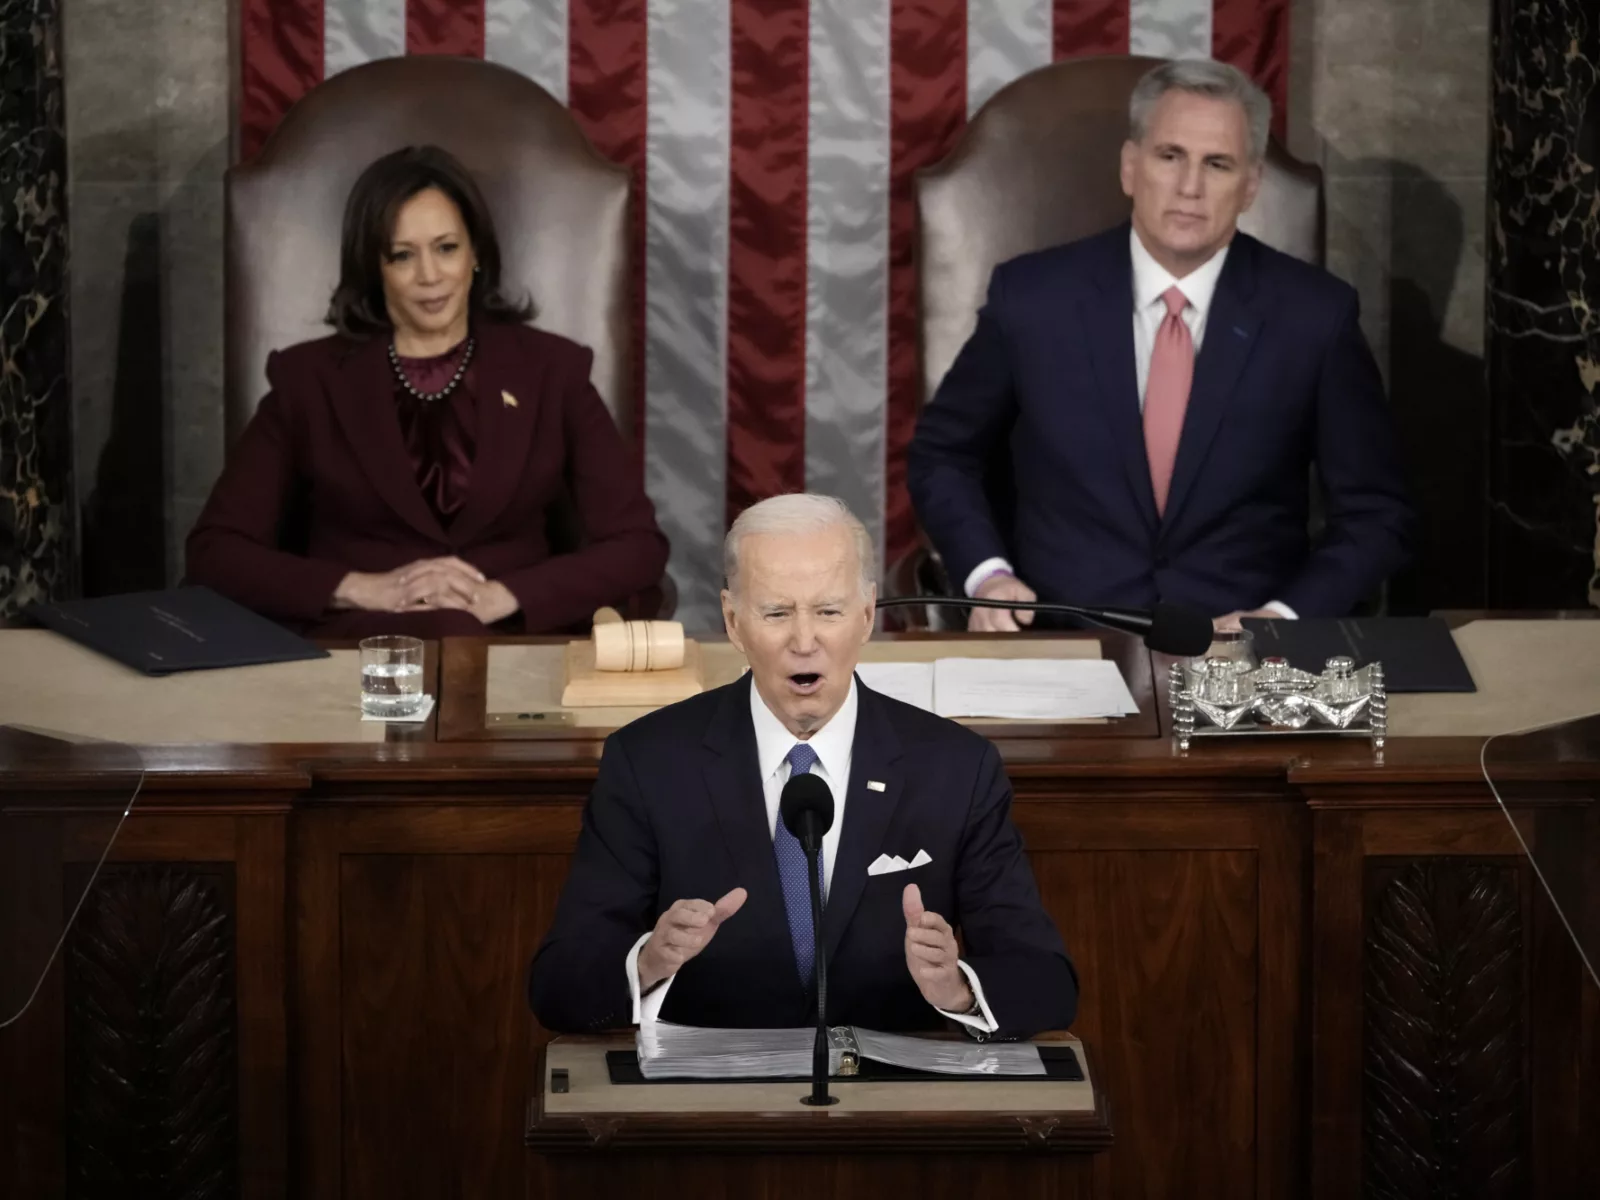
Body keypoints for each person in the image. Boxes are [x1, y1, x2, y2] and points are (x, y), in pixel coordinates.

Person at [528, 493, 1075, 1039]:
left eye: (829, 612)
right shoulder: (648, 763)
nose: (805, 641)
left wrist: (956, 987)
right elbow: (559, 988)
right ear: (733, 621)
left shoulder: (956, 769)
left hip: (892, 1104)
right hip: (712, 1107)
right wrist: (647, 963)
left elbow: (1047, 982)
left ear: (865, 616)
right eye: (777, 613)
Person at [907, 59, 1412, 633]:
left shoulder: (1316, 317)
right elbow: (943, 455)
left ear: (1250, 187)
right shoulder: (1031, 298)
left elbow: (1376, 515)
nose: (1189, 187)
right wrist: (987, 577)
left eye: (1217, 164)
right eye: (1170, 156)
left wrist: (1283, 620)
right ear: (1130, 167)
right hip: (1058, 642)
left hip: (1242, 658)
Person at [186, 145, 669, 638]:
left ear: (475, 251)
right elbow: (215, 552)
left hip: (511, 646)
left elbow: (637, 545)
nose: (430, 276)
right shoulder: (309, 380)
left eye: (446, 248)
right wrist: (362, 587)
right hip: (359, 652)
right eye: (402, 255)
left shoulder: (552, 370)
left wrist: (502, 596)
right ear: (374, 267)